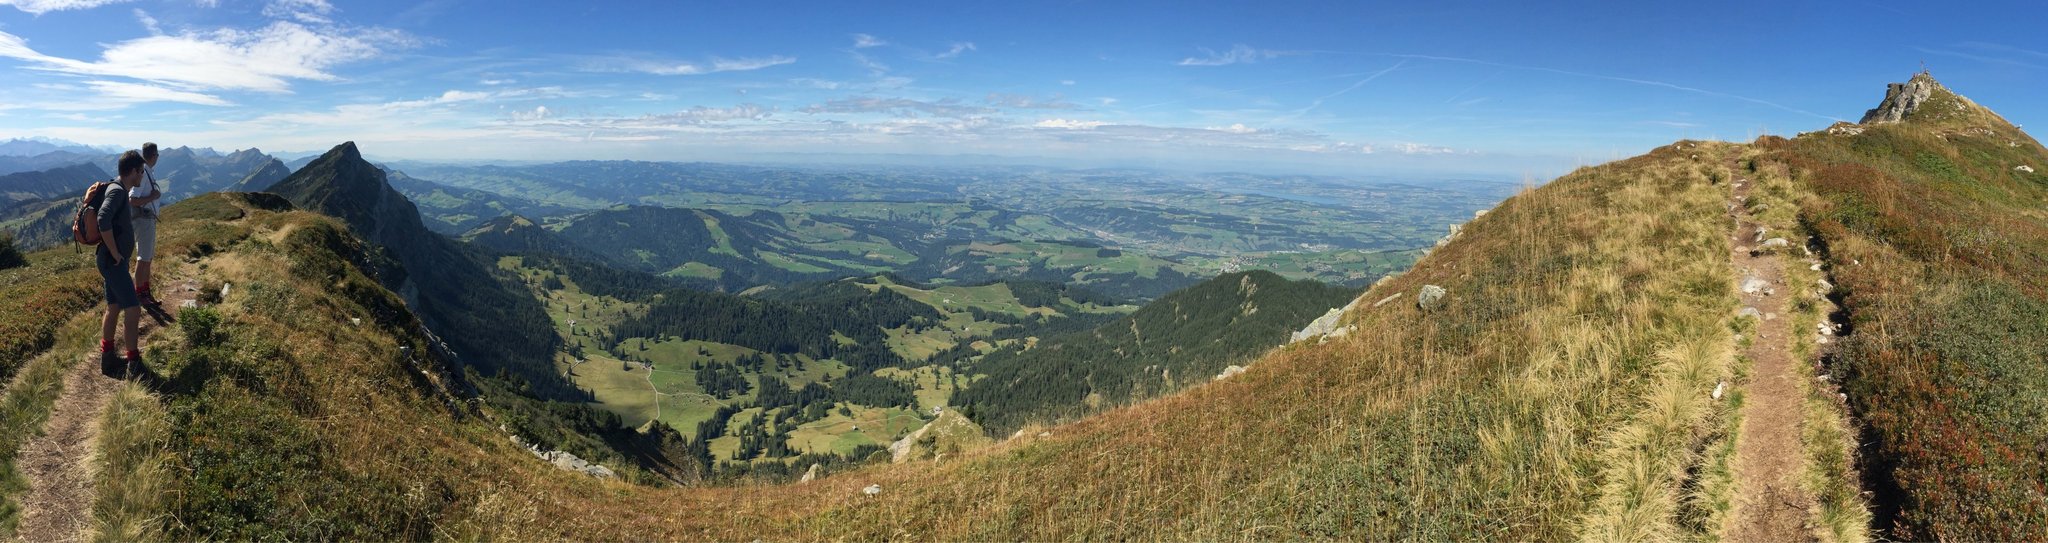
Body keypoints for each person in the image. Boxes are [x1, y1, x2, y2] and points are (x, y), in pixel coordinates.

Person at [98, 150, 147, 373]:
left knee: (114, 306)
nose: (142, 176)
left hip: (111, 261)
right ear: (133, 171)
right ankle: (134, 363)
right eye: (141, 171)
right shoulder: (118, 192)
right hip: (113, 262)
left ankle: (107, 358)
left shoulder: (117, 188)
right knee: (133, 309)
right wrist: (115, 252)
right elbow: (103, 218)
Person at [130, 142, 165, 307]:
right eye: (157, 154)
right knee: (143, 258)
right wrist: (153, 197)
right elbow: (132, 199)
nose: (158, 157)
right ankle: (140, 294)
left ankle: (145, 292)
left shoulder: (147, 171)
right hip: (143, 220)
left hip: (147, 220)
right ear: (154, 155)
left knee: (147, 259)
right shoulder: (143, 173)